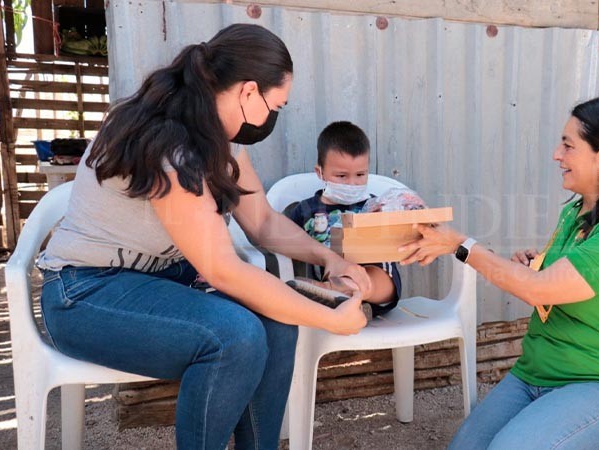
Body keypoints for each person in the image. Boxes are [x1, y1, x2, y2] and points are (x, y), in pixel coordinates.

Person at [36, 24, 371, 450]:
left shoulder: (219, 138)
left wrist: (330, 260)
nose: (273, 117)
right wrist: (330, 319)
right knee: (234, 336)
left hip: (159, 282)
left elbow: (263, 222)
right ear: (249, 92)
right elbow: (221, 269)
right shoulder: (169, 143)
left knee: (278, 324)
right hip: (84, 293)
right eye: (277, 105)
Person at [400, 96, 599, 450]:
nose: (557, 154)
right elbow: (559, 282)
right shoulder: (575, 213)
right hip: (534, 374)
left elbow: (540, 291)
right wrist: (537, 265)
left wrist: (461, 245)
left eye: (568, 146)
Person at [284, 121, 401, 316]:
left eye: (360, 174)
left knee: (377, 271)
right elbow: (286, 245)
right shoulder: (305, 210)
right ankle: (343, 297)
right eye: (341, 176)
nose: (352, 183)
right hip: (330, 275)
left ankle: (344, 291)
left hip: (375, 286)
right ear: (320, 172)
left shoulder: (373, 206)